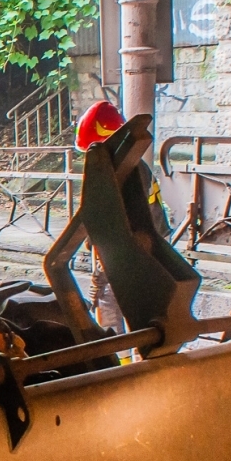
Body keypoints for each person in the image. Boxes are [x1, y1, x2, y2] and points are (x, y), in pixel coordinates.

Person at [73, 100, 170, 332]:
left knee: (112, 313)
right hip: (147, 251)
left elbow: (115, 216)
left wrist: (93, 240)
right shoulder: (133, 167)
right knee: (132, 315)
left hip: (132, 256)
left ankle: (122, 363)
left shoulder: (121, 173)